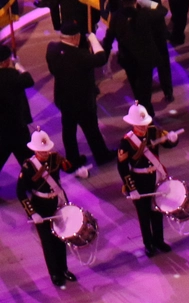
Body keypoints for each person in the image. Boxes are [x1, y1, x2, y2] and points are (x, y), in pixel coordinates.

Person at [17, 132, 83, 289]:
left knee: (60, 238)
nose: (45, 154)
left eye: (46, 150)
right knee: (48, 242)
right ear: (34, 150)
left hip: (57, 202)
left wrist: (78, 170)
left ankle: (64, 269)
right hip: (40, 205)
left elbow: (68, 167)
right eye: (41, 151)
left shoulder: (55, 158)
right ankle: (55, 273)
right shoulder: (28, 167)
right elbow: (20, 192)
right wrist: (32, 213)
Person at [47, 21, 115, 170]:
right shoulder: (80, 56)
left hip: (64, 98)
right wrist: (93, 39)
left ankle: (73, 160)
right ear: (75, 38)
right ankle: (101, 155)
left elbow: (53, 70)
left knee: (69, 131)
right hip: (82, 101)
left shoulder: (52, 49)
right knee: (92, 130)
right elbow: (101, 58)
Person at [116, 104, 182, 257]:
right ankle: (148, 243)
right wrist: (131, 187)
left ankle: (159, 240)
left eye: (144, 124)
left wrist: (173, 139)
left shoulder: (153, 131)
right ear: (132, 124)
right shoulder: (126, 142)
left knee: (157, 210)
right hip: (139, 180)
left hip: (155, 177)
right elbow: (122, 167)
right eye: (139, 126)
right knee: (144, 213)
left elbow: (167, 143)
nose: (142, 128)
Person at [106, 0, 173, 113]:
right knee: (145, 91)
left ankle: (146, 109)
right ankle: (147, 114)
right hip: (145, 58)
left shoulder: (117, 17)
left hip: (129, 58)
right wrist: (146, 2)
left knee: (138, 90)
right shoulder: (145, 14)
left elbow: (108, 40)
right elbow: (162, 11)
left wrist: (104, 58)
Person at [0, 45, 34, 182]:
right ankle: (35, 183)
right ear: (6, 61)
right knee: (28, 160)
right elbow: (28, 80)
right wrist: (18, 65)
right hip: (17, 126)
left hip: (2, 128)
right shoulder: (12, 76)